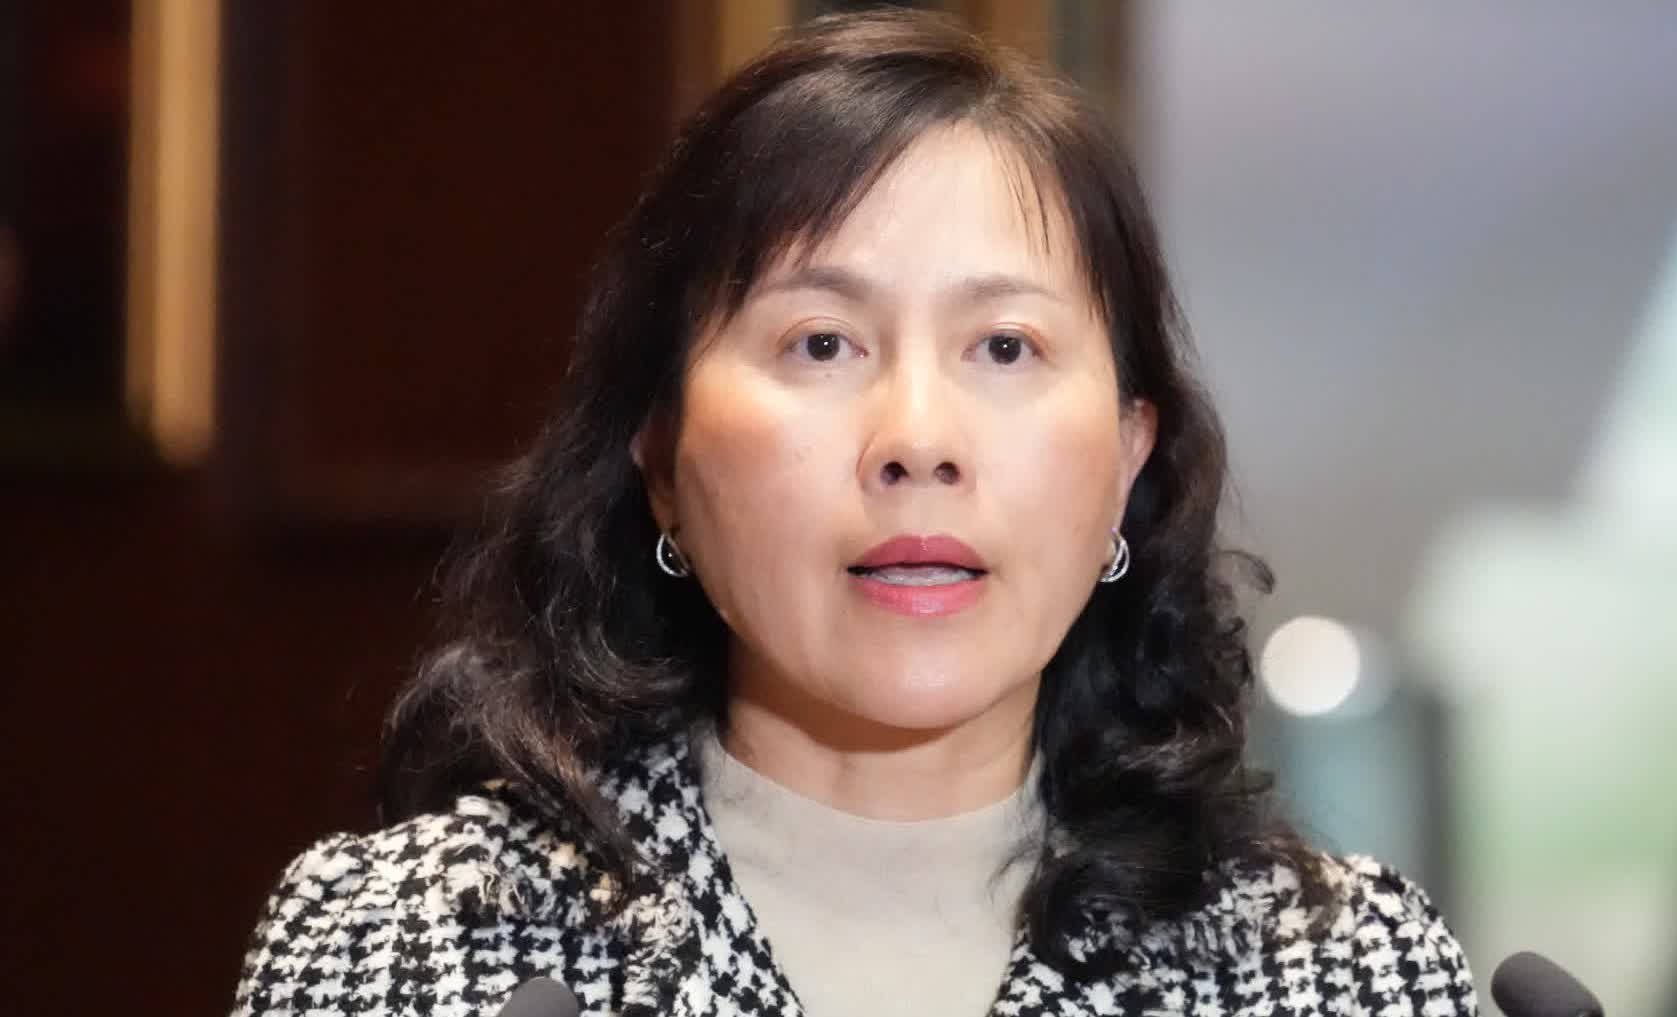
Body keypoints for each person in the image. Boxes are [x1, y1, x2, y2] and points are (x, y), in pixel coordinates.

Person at [231, 10, 1476, 1017]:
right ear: (661, 462)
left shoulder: (1343, 975)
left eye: (1004, 347)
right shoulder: (413, 950)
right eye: (822, 343)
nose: (918, 440)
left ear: (1125, 462)